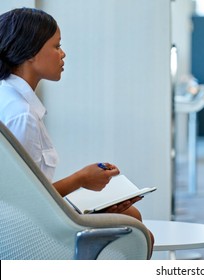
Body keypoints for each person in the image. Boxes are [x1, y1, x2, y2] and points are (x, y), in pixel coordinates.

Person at [0, 7, 154, 250]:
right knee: (134, 226)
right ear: (30, 51)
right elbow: (22, 203)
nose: (63, 54)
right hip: (24, 234)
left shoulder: (9, 97)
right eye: (56, 46)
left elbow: (26, 191)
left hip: (25, 220)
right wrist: (81, 179)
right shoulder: (21, 114)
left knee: (131, 214)